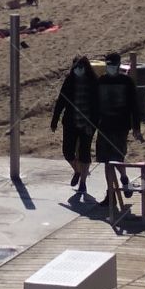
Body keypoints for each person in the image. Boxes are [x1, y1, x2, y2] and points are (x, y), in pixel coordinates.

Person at [94, 52, 142, 204]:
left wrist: (136, 127)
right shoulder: (101, 81)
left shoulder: (127, 82)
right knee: (106, 162)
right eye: (108, 65)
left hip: (121, 126)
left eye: (113, 65)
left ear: (118, 65)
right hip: (104, 126)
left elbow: (135, 106)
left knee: (117, 159)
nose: (111, 68)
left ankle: (124, 179)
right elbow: (95, 105)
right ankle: (110, 194)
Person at [51, 56, 99, 196]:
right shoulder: (69, 81)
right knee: (67, 151)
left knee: (85, 154)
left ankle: (83, 182)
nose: (78, 70)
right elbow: (61, 101)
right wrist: (55, 119)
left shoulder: (93, 82)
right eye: (75, 67)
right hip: (70, 122)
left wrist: (95, 123)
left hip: (87, 124)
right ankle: (77, 171)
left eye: (80, 67)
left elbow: (97, 105)